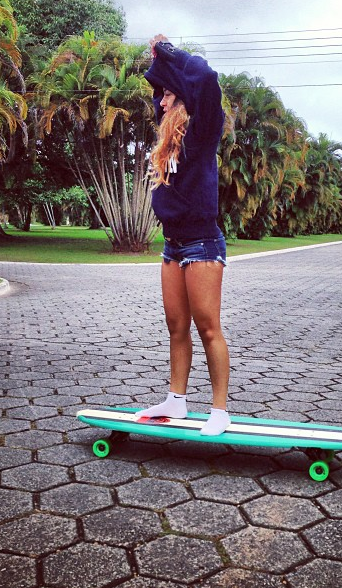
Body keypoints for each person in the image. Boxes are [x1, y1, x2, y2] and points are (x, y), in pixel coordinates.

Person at [135, 34, 230, 436]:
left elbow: (205, 77)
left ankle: (220, 411)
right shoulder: (167, 143)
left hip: (202, 244)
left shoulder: (204, 129)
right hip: (172, 245)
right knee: (176, 327)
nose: (161, 102)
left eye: (168, 95)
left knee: (208, 328)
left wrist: (170, 52)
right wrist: (162, 67)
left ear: (183, 98)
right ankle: (176, 400)